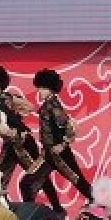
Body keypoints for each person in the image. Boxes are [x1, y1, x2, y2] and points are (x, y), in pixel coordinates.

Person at [0, 64, 62, 215]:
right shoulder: (4, 99)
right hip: (12, 145)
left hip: (22, 143)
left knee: (36, 175)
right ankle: (2, 211)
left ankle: (55, 208)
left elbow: (24, 110)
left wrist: (10, 128)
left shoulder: (1, 102)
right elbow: (29, 107)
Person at [30, 68, 94, 206]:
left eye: (42, 88)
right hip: (47, 154)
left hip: (59, 154)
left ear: (50, 89)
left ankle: (100, 205)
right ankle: (56, 209)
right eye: (39, 87)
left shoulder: (54, 106)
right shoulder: (47, 105)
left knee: (78, 180)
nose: (39, 91)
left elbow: (69, 127)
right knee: (29, 182)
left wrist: (63, 145)